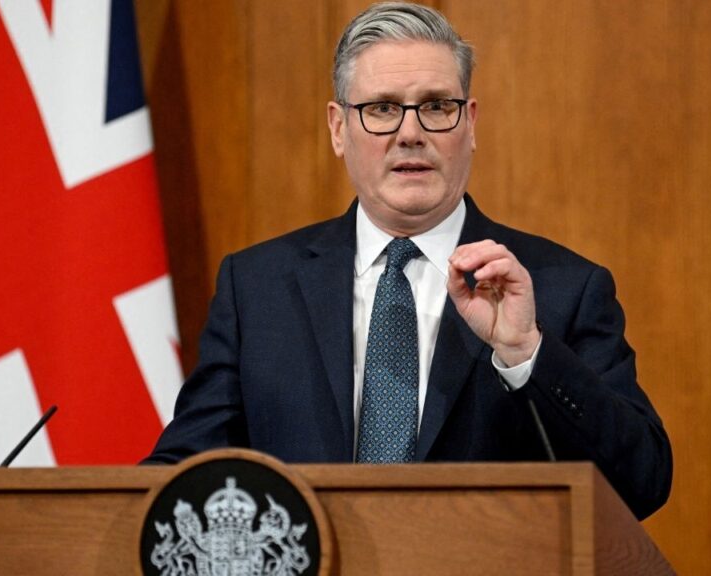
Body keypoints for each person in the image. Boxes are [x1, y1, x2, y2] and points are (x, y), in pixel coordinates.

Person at [146, 1, 671, 520]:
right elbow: (185, 471)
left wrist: (525, 351)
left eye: (437, 106)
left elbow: (640, 484)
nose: (410, 132)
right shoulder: (257, 288)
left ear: (470, 123)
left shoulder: (561, 288)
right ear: (337, 128)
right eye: (382, 108)